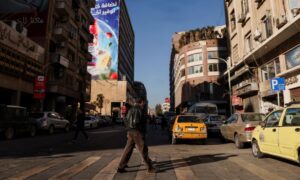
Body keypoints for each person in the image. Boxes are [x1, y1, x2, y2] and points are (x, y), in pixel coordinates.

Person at [117, 98, 157, 173]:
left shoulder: (131, 109)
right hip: (136, 131)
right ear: (141, 102)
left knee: (128, 149)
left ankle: (121, 166)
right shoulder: (138, 109)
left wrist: (128, 128)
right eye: (144, 102)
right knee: (143, 149)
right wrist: (140, 132)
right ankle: (150, 167)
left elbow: (125, 120)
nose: (144, 104)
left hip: (130, 131)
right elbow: (136, 122)